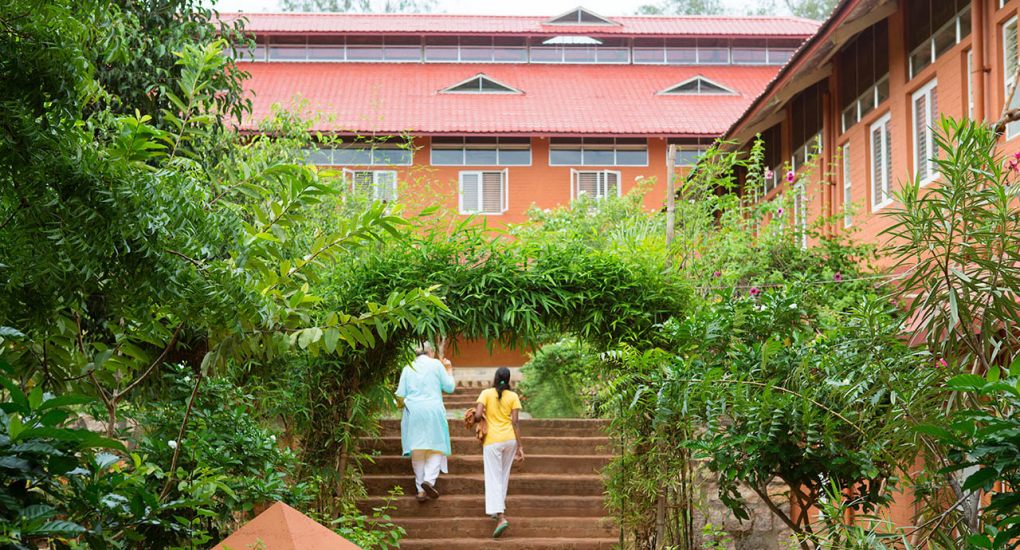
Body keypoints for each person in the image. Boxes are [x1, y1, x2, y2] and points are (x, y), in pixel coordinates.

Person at [395, 341, 456, 502]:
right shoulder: (436, 365)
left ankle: (421, 490)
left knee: (417, 450)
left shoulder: (408, 368)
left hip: (413, 411)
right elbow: (449, 387)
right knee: (436, 448)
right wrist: (449, 370)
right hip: (433, 411)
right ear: (431, 352)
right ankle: (428, 481)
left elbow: (400, 395)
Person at [473, 367, 524, 538]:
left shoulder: (486, 393)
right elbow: (515, 422)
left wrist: (474, 417)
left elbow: (478, 415)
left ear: (495, 378)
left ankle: (501, 517)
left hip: (493, 441)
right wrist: (520, 446)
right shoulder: (513, 396)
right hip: (510, 439)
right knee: (503, 476)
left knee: (493, 477)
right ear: (508, 380)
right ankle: (497, 509)